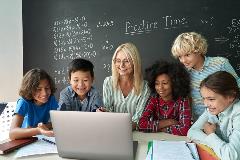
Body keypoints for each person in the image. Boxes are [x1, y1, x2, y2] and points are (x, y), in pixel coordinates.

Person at [171, 32, 240, 122]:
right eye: (180, 57)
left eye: (187, 55)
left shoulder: (220, 63)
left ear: (198, 50)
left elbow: (237, 86)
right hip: (200, 121)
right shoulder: (184, 73)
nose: (183, 60)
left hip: (226, 119)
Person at [187, 71, 240, 160]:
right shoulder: (212, 109)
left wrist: (211, 134)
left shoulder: (238, 113)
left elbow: (231, 156)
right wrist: (217, 144)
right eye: (203, 98)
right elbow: (192, 132)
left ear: (231, 96)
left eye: (211, 99)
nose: (206, 104)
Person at [100, 42, 150, 130]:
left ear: (135, 62)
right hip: (111, 131)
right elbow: (107, 112)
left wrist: (120, 126)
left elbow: (139, 119)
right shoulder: (108, 82)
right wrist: (102, 112)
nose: (121, 65)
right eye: (118, 61)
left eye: (126, 61)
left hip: (135, 134)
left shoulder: (144, 87)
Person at [138, 61, 191, 136]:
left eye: (165, 83)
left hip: (177, 140)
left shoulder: (182, 100)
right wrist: (169, 122)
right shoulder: (154, 99)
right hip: (157, 139)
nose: (160, 87)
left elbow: (185, 129)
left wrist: (162, 128)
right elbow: (141, 125)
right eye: (157, 83)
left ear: (174, 83)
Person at [9, 68, 58, 140]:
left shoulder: (51, 99)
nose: (44, 93)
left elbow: (57, 122)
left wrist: (43, 128)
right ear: (29, 89)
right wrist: (38, 130)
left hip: (41, 137)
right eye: (38, 89)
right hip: (24, 139)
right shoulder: (23, 102)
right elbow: (12, 134)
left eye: (47, 88)